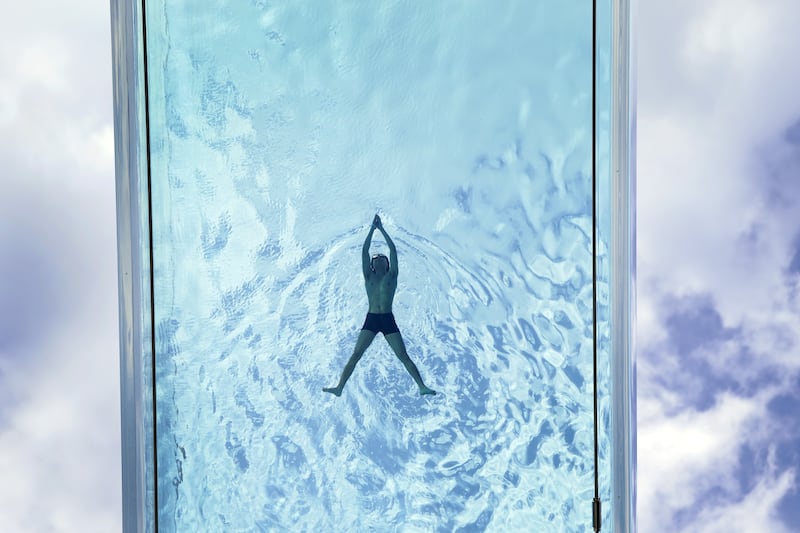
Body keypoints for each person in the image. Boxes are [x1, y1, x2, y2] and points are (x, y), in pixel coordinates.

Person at [323, 214, 436, 397]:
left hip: (388, 319)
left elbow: (392, 249)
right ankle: (339, 387)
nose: (378, 258)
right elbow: (364, 251)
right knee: (356, 354)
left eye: (381, 257)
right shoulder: (369, 277)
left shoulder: (392, 276)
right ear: (372, 265)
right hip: (372, 318)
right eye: (375, 258)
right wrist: (371, 229)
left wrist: (381, 229)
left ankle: (422, 387)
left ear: (388, 263)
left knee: (403, 355)